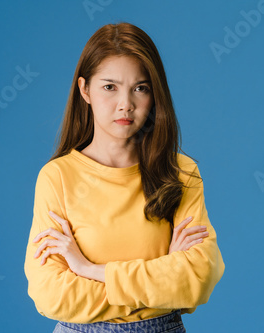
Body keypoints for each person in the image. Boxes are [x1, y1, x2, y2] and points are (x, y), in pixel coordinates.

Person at [24, 22, 225, 333]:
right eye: (109, 87)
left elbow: (199, 277)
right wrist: (160, 284)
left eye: (140, 88)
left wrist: (88, 269)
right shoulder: (58, 178)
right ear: (84, 90)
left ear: (154, 94)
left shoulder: (180, 173)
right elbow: (51, 294)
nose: (126, 104)